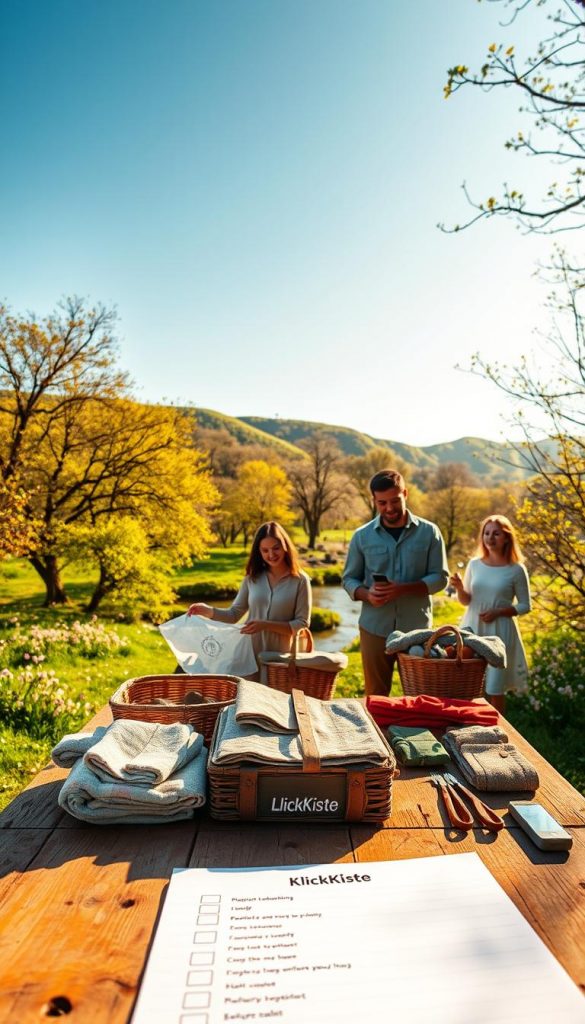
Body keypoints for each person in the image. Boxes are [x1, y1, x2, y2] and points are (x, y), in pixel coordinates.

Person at [343, 469, 449, 697]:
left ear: (405, 493)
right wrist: (366, 594)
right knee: (376, 695)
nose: (389, 508)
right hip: (374, 628)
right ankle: (379, 733)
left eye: (395, 501)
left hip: (417, 629)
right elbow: (349, 579)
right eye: (382, 503)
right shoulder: (361, 536)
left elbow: (441, 577)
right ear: (374, 500)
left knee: (420, 694)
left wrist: (404, 588)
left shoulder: (430, 532)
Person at [187, 521, 312, 676]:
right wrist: (208, 611)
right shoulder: (252, 578)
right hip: (247, 655)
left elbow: (302, 623)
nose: (271, 555)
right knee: (245, 698)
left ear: (285, 547)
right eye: (265, 550)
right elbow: (234, 615)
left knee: (275, 698)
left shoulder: (300, 580)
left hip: (280, 658)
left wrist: (265, 625)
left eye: (276, 548)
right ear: (258, 552)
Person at [449, 514, 531, 713]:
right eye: (486, 533)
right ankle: (468, 724)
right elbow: (466, 601)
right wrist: (460, 588)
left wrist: (499, 611)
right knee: (469, 680)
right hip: (473, 628)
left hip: (500, 632)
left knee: (495, 685)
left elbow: (525, 605)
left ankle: (497, 728)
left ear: (506, 538)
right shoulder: (475, 565)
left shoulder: (516, 570)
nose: (490, 538)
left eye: (496, 533)